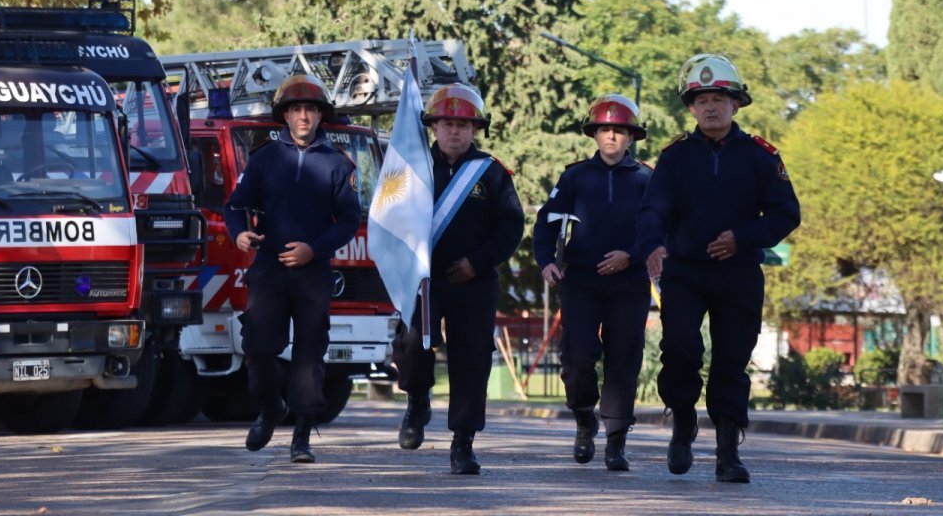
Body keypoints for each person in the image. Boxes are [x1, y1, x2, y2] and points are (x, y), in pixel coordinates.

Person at [636, 54, 800, 483]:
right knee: (681, 349)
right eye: (701, 99)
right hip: (685, 273)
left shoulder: (762, 156)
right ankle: (683, 422)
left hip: (739, 273)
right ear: (690, 107)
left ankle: (728, 452)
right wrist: (652, 245)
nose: (710, 107)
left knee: (730, 362)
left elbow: (786, 215)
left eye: (719, 99)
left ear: (736, 104)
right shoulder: (674, 157)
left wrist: (743, 237)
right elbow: (653, 209)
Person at [224, 74, 361, 464]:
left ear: (320, 116)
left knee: (308, 355)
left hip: (313, 274)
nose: (303, 116)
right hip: (268, 270)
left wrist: (313, 250)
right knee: (258, 349)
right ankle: (270, 408)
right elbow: (235, 206)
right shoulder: (265, 158)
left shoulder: (338, 164)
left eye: (310, 110)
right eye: (296, 109)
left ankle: (301, 436)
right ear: (284, 115)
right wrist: (240, 236)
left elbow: (349, 221)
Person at [393, 83, 524, 475]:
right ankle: (417, 399)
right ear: (433, 126)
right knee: (413, 345)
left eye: (464, 125)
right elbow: (390, 217)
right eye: (448, 123)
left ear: (475, 129)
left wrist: (479, 262)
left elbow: (511, 226)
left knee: (471, 361)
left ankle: (463, 442)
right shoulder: (410, 168)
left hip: (474, 279)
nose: (455, 131)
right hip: (422, 279)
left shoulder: (493, 174)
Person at [533, 94, 652, 471]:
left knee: (623, 361)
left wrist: (630, 256)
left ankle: (616, 440)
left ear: (631, 136)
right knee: (578, 358)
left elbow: (660, 230)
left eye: (619, 131)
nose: (612, 137)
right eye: (605, 130)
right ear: (595, 134)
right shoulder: (575, 176)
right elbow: (545, 224)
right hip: (581, 281)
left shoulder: (648, 179)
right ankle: (584, 418)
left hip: (630, 283)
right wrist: (547, 261)